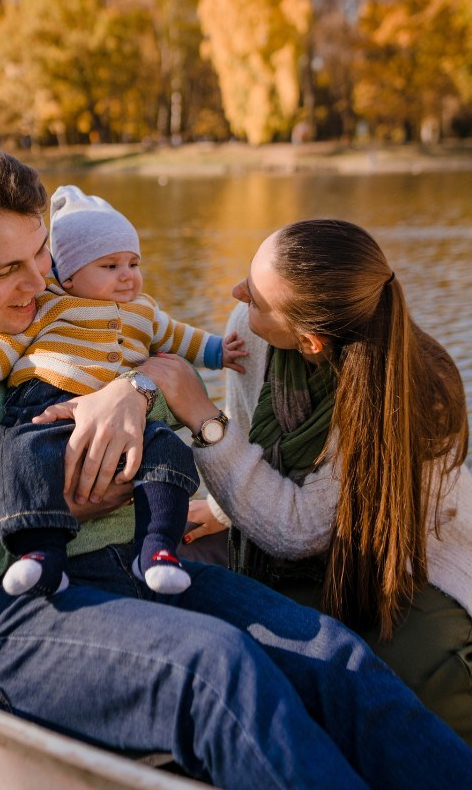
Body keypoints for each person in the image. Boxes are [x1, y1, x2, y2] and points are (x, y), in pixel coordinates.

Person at [0, 141, 472, 789]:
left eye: (40, 252)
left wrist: (132, 393)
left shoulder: (55, 306)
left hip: (130, 569)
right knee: (215, 670)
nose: (36, 280)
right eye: (4, 270)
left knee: (334, 656)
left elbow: (153, 371)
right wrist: (51, 517)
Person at [143, 219, 472, 747]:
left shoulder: (396, 391)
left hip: (398, 557)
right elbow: (254, 448)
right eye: (249, 275)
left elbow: (301, 530)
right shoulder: (250, 332)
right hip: (316, 539)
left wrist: (203, 419)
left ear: (311, 342)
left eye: (254, 297)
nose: (236, 293)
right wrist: (224, 511)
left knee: (398, 682)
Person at [0, 184, 244, 598]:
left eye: (133, 262)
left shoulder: (144, 310)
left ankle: (158, 548)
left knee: (167, 451)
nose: (127, 275)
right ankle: (40, 553)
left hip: (122, 415)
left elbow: (182, 338)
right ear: (68, 276)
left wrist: (219, 352)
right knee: (22, 458)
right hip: (45, 406)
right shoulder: (48, 307)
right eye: (109, 266)